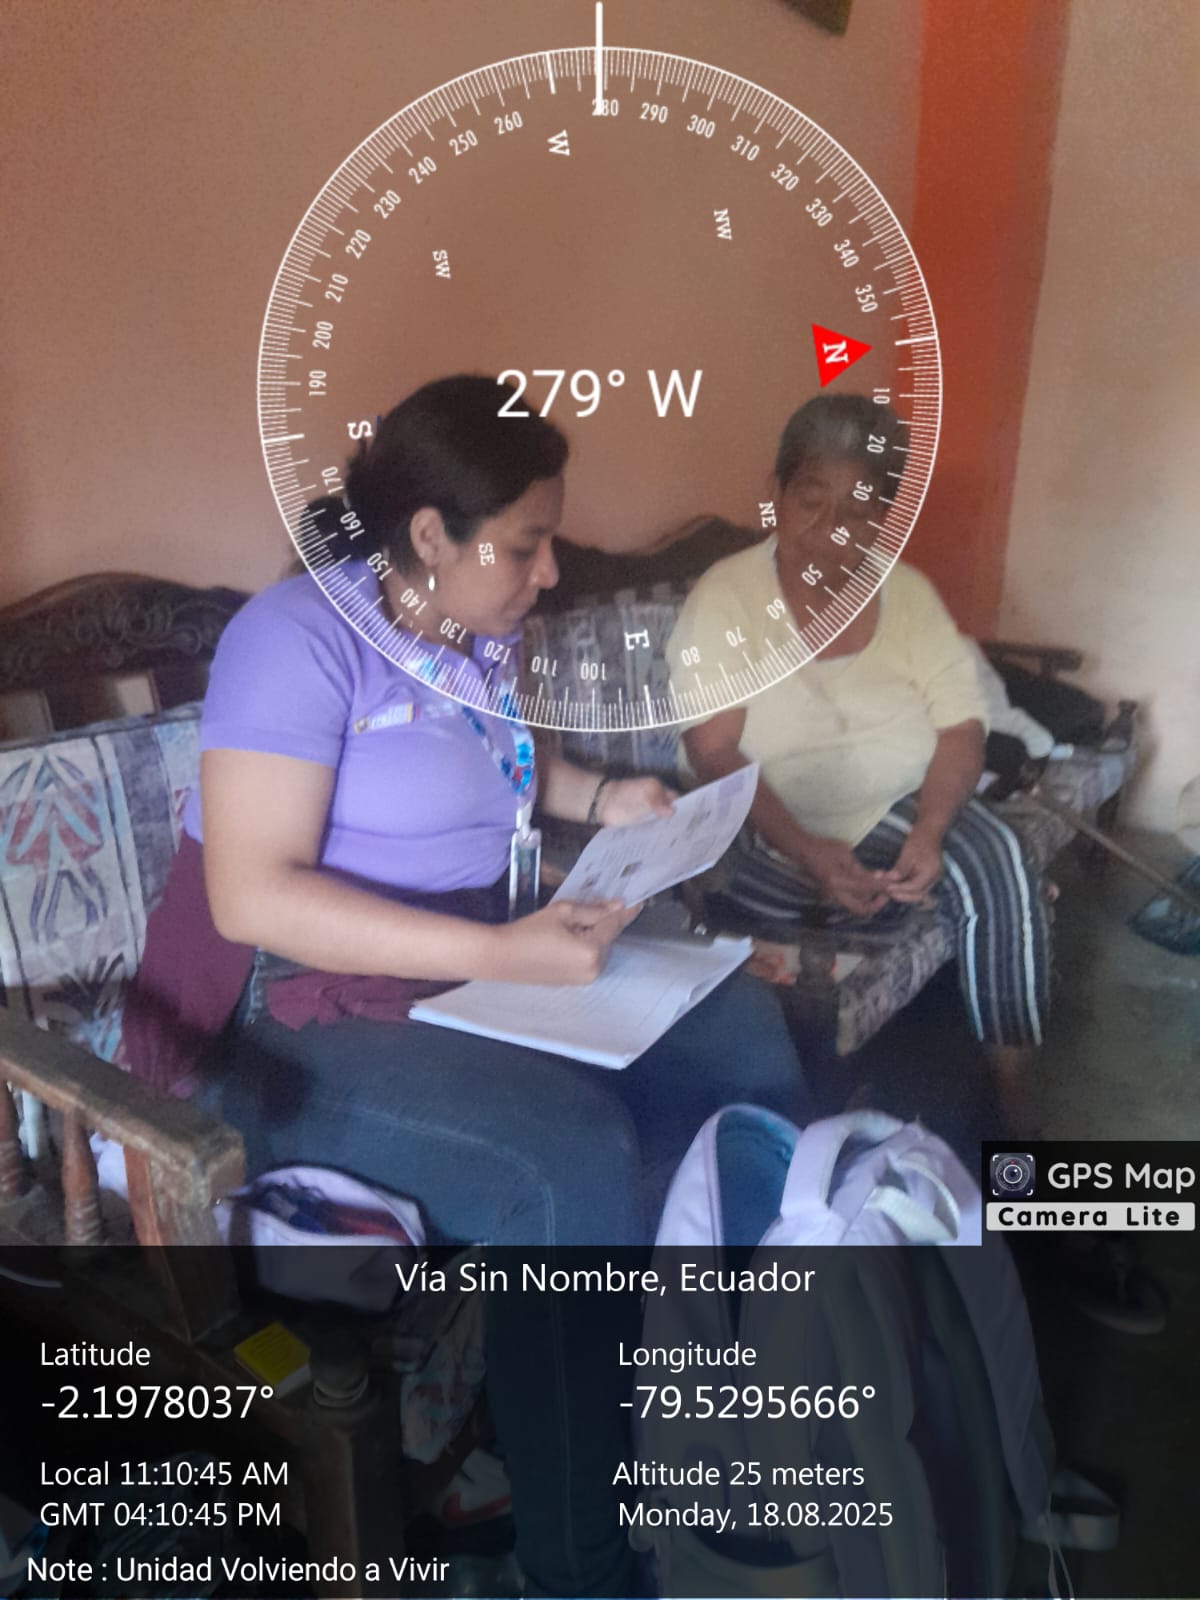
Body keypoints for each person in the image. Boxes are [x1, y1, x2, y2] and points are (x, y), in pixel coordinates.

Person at [121, 373, 809, 1596]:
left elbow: (499, 768)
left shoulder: (475, 632)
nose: (550, 570)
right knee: (566, 1160)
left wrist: (606, 796)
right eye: (528, 543)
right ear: (430, 533)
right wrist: (507, 954)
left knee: (745, 1039)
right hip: (291, 1010)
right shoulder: (293, 639)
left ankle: (706, 1426)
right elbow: (253, 898)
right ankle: (578, 1562)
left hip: (464, 960)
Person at [667, 392, 1052, 1133]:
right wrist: (810, 849)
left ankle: (1010, 1107)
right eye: (810, 501)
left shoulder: (903, 593)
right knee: (999, 860)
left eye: (859, 510)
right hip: (767, 833)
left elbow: (961, 727)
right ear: (777, 495)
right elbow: (712, 752)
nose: (829, 529)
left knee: (999, 859)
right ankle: (1004, 1122)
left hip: (898, 811)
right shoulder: (728, 599)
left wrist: (931, 830)